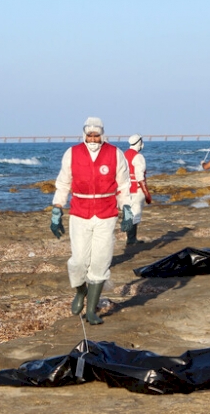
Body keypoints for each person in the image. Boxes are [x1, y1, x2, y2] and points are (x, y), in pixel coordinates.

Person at [50, 117, 133, 325]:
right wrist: (57, 209)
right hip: (80, 213)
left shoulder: (115, 154)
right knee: (78, 261)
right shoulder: (72, 153)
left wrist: (127, 209)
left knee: (100, 261)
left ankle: (91, 311)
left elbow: (123, 185)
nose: (93, 139)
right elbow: (63, 183)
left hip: (106, 213)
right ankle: (81, 291)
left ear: (102, 134)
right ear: (84, 134)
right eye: (90, 135)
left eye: (97, 135)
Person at [124, 134, 152, 245]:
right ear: (139, 143)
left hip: (126, 189)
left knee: (128, 213)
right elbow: (140, 177)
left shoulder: (124, 155)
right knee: (135, 213)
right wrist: (147, 194)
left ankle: (130, 238)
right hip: (136, 189)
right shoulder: (138, 157)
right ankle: (132, 239)